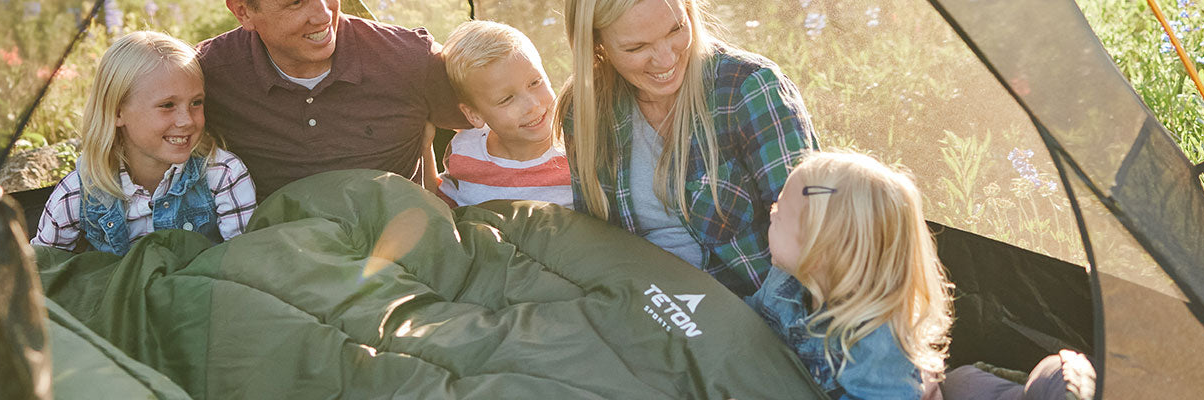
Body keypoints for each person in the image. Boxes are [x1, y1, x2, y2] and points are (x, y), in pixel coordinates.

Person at [758, 151, 1091, 400]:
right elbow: (747, 327)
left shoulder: (873, 344)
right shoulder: (785, 283)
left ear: (821, 253)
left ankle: (1053, 384)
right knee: (964, 381)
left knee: (967, 384)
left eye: (781, 214)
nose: (771, 212)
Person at [562, 0, 817, 296]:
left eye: (677, 29)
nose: (666, 58)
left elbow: (814, 233)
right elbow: (596, 243)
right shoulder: (585, 109)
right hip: (638, 308)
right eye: (636, 48)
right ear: (597, 44)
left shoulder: (749, 88)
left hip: (754, 312)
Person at [199, 0, 473, 196]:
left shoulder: (412, 59)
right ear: (243, 11)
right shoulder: (207, 74)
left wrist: (450, 197)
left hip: (393, 247)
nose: (323, 14)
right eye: (296, 3)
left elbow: (502, 127)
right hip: (279, 254)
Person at [32, 31, 257, 255]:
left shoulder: (223, 175)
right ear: (117, 112)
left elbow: (244, 263)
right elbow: (43, 270)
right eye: (167, 105)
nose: (186, 120)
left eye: (196, 102)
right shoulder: (80, 192)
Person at [433, 21, 573, 208]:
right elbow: (441, 206)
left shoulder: (577, 153)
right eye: (507, 99)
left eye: (535, 82)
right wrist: (425, 145)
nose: (532, 105)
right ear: (473, 115)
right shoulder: (466, 151)